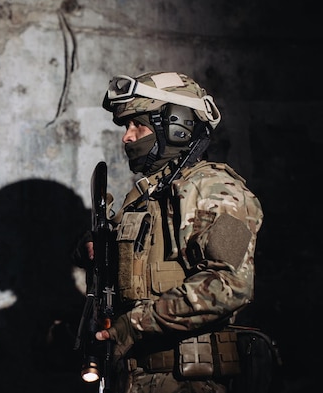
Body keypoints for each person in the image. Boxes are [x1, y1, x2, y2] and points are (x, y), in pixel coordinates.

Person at [73, 72, 265, 393]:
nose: (127, 137)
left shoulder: (215, 189)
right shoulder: (144, 198)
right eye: (126, 127)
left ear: (178, 126)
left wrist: (133, 326)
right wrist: (95, 248)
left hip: (189, 380)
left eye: (138, 125)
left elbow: (229, 284)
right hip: (134, 379)